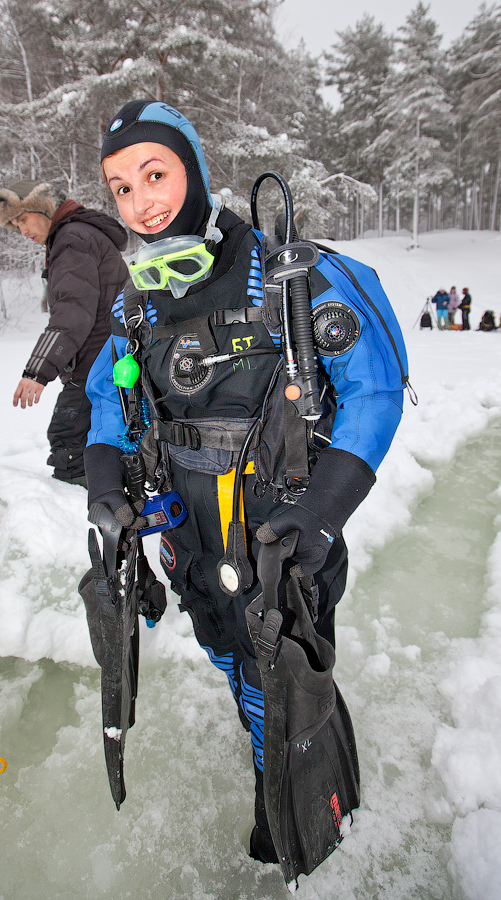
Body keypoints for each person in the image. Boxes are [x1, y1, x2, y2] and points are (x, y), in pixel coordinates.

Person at [83, 100, 407, 870]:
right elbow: (107, 399)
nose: (141, 201)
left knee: (285, 665)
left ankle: (293, 793)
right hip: (191, 543)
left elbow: (376, 386)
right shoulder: (139, 302)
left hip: (282, 538)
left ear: (193, 168)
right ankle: (272, 750)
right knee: (232, 657)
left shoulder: (293, 275)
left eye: (155, 174)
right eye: (121, 188)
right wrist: (105, 486)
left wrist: (323, 516)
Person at [0, 179, 128, 485]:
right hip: (111, 357)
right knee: (101, 437)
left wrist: (37, 371)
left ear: (44, 208)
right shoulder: (80, 234)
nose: (22, 231)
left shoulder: (71, 238)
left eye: (23, 219)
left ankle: (79, 509)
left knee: (68, 439)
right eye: (14, 224)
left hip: (97, 361)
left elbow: (72, 314)